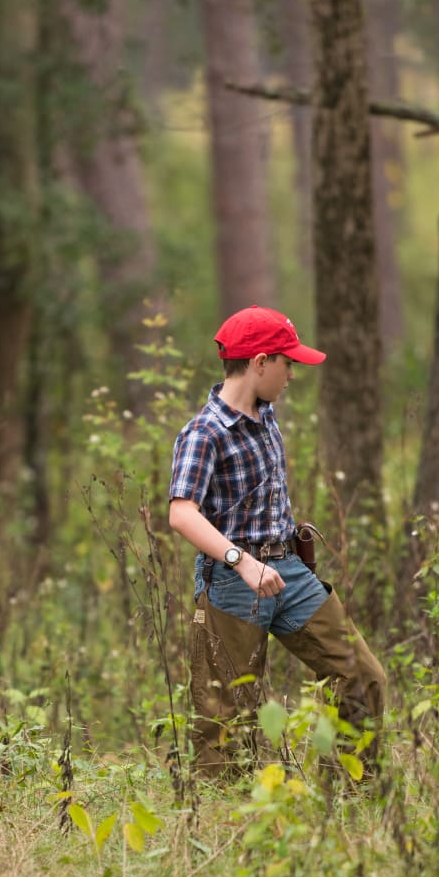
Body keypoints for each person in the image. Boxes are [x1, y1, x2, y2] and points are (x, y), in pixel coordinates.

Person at [167, 305, 386, 781]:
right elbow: (181, 513)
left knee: (362, 676)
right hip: (231, 584)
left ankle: (352, 793)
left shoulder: (267, 418)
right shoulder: (203, 433)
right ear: (260, 362)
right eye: (288, 363)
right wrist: (239, 560)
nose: (292, 373)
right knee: (226, 721)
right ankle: (228, 828)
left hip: (288, 572)